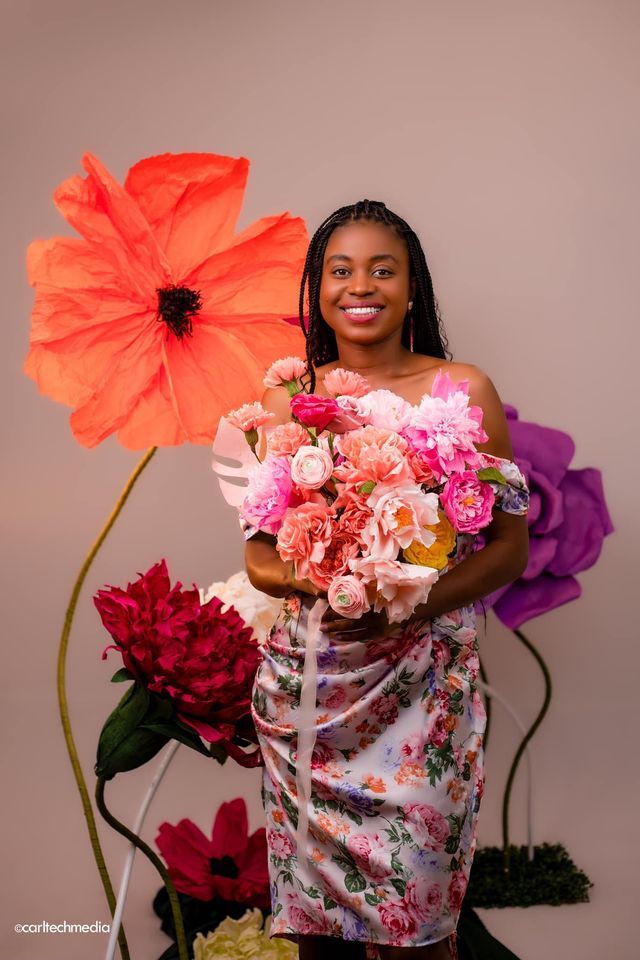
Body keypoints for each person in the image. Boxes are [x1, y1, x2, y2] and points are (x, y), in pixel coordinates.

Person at [243, 200, 530, 960]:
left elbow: (507, 548)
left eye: (382, 269)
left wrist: (408, 603)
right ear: (318, 290)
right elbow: (259, 559)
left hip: (423, 699)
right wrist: (332, 589)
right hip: (315, 696)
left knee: (421, 938)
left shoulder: (462, 392)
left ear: (412, 290)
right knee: (319, 940)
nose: (359, 285)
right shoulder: (286, 403)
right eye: (340, 270)